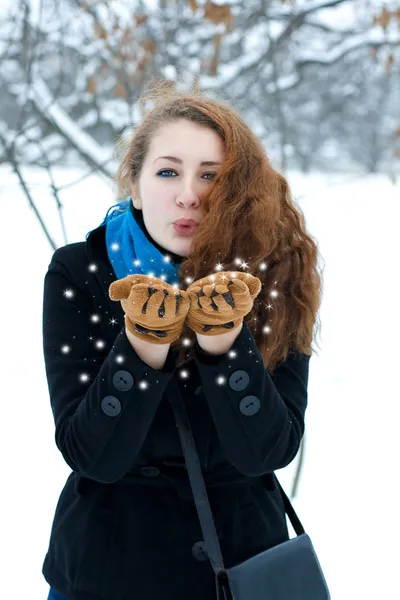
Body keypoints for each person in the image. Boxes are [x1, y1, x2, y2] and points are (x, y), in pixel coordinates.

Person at [42, 82, 322, 600]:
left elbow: (270, 449)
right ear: (135, 183)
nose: (189, 193)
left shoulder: (273, 272)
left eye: (211, 176)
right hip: (108, 568)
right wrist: (143, 348)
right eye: (168, 171)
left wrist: (225, 344)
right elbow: (90, 454)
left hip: (240, 570)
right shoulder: (81, 272)